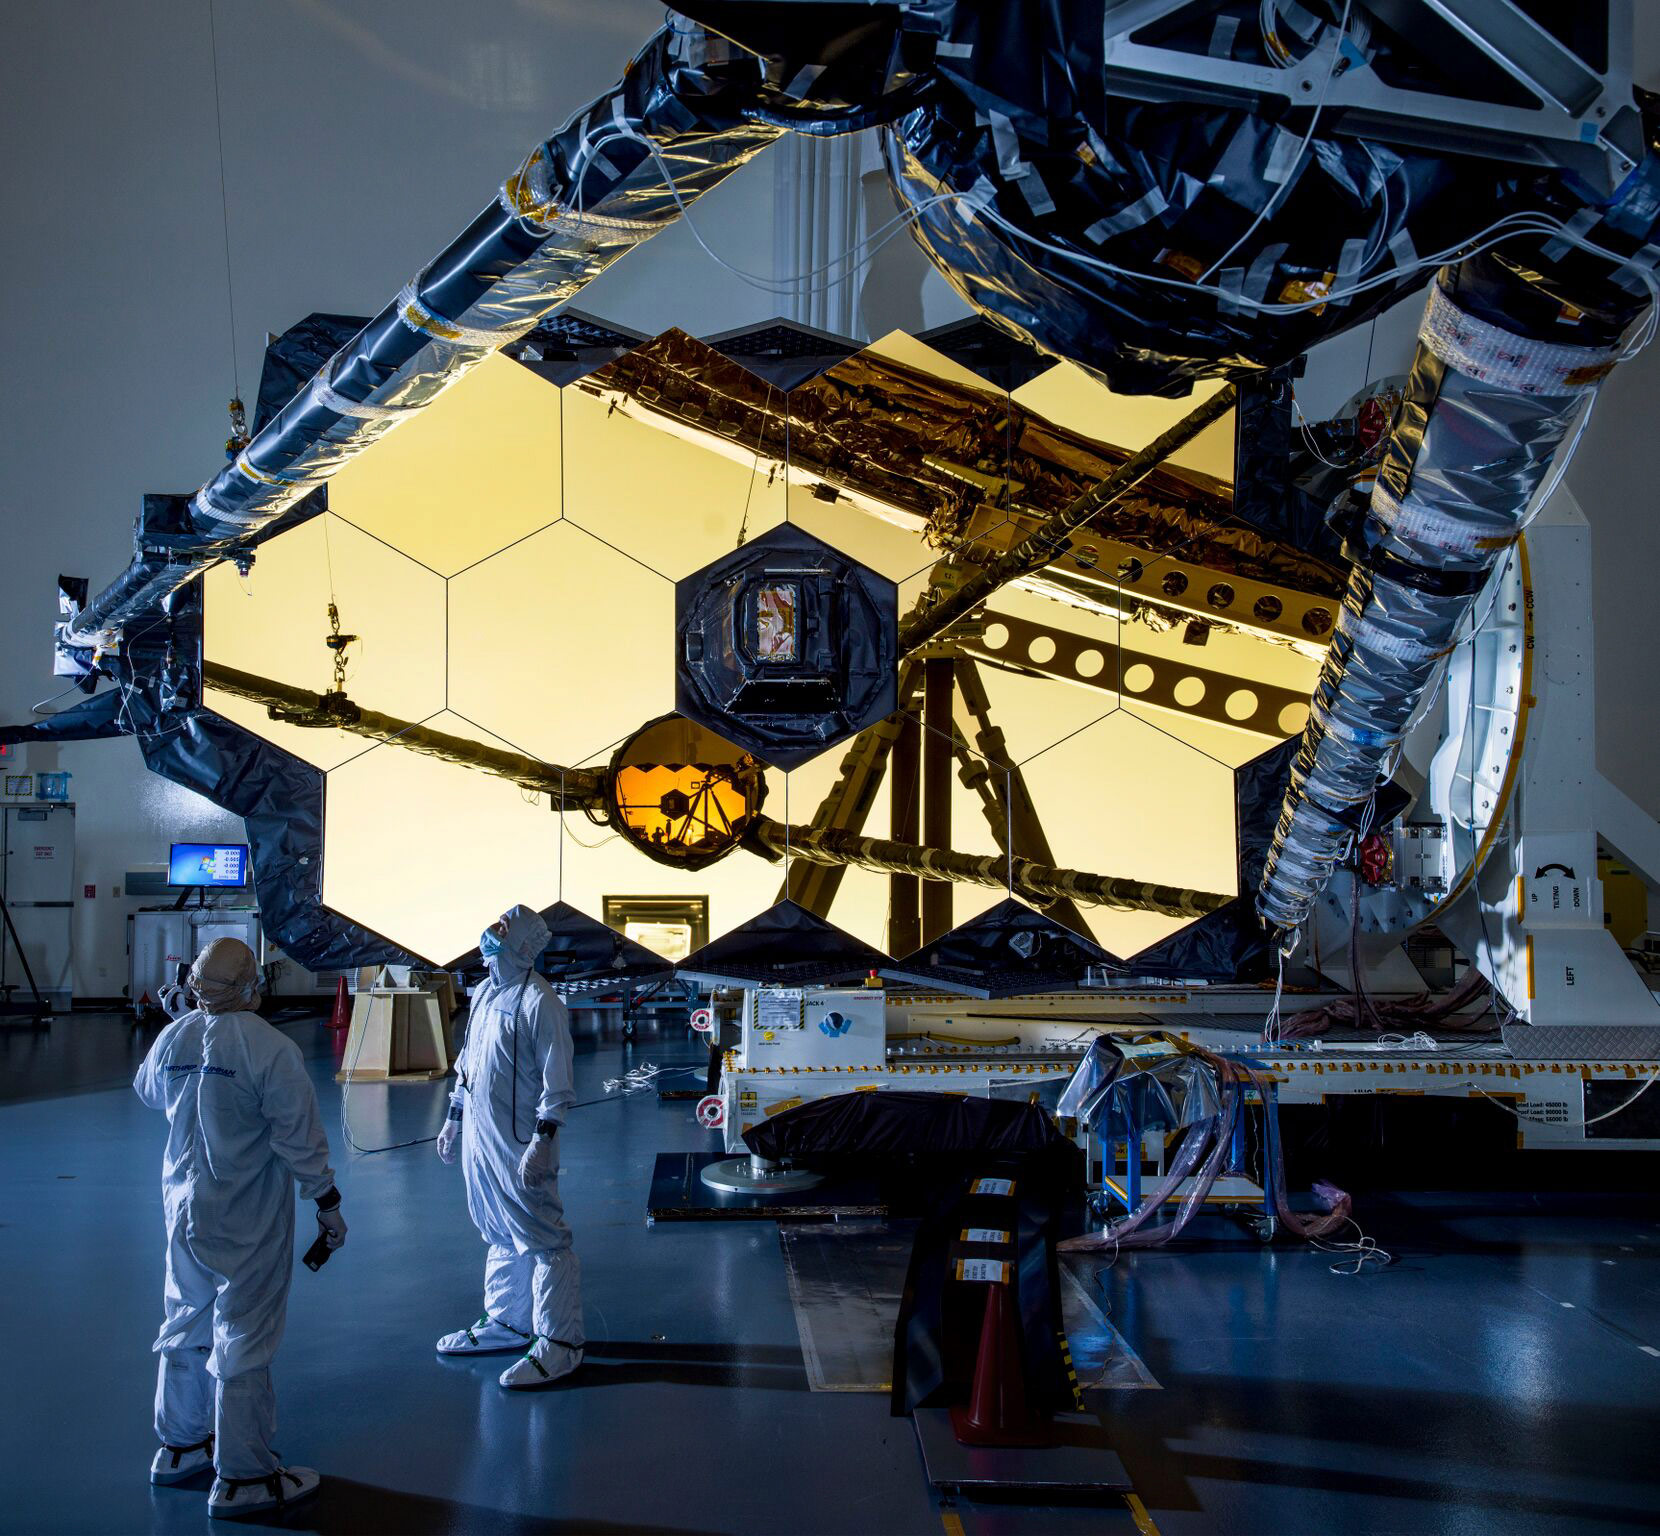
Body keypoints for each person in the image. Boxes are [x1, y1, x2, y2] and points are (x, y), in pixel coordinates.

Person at [135, 937, 345, 1520]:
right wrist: (327, 1202)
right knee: (245, 1333)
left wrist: (183, 1033)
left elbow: (149, 1091)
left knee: (184, 1318)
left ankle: (179, 1447)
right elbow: (298, 1137)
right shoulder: (269, 1048)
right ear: (252, 984)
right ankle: (245, 1477)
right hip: (245, 1213)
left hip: (182, 1208)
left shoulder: (175, 1036)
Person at [436, 904, 584, 1389]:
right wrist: (454, 1119)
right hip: (481, 1139)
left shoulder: (540, 1002)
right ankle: (507, 1321)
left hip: (521, 1141)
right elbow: (468, 1064)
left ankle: (560, 1343)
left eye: (503, 929)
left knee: (543, 1238)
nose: (491, 934)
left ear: (523, 946)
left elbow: (557, 1080)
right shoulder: (482, 995)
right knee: (497, 1229)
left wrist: (544, 1139)